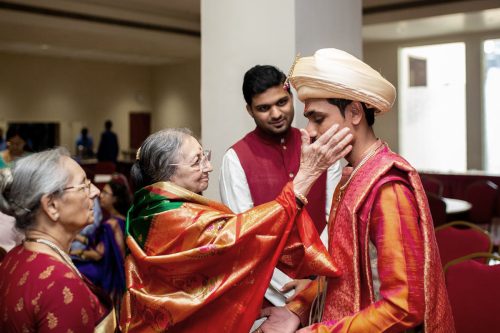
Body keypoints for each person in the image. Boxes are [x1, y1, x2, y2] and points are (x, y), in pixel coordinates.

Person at [259, 48, 455, 333]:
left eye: (318, 118)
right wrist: (296, 309)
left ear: (354, 113)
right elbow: (343, 274)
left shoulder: (388, 186)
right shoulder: (353, 175)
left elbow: (404, 307)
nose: (310, 131)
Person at [120, 127, 353, 332]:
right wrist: (307, 175)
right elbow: (242, 237)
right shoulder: (175, 218)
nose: (208, 167)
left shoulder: (146, 209)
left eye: (205, 156)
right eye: (197, 161)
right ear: (166, 173)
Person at [219, 65, 342, 321]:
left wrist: (316, 282)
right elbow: (246, 239)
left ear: (291, 97)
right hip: (268, 297)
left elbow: (337, 218)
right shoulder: (236, 159)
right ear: (250, 111)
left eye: (282, 102)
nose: (276, 113)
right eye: (264, 108)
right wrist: (288, 290)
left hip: (324, 287)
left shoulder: (320, 145)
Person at [0, 148, 116, 332]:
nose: (95, 192)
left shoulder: (14, 256)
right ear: (52, 205)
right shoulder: (61, 284)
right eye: (84, 185)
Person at [72, 174, 131, 310]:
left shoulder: (110, 225)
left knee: (76, 269)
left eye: (105, 193)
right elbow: (94, 241)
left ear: (115, 199)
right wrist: (76, 237)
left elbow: (98, 253)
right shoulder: (122, 220)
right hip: (119, 272)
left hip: (107, 272)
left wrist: (78, 253)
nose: (100, 195)